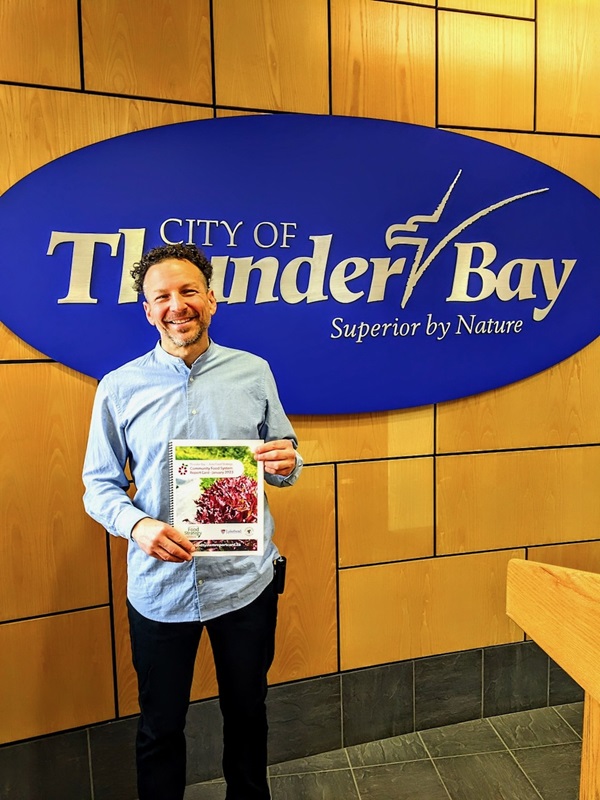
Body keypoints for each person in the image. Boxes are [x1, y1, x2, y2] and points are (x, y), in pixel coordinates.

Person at [82, 243, 302, 800]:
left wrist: (288, 462)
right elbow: (99, 486)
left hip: (245, 580)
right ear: (147, 309)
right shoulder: (119, 387)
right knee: (160, 727)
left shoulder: (253, 372)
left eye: (188, 292)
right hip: (161, 588)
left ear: (211, 299)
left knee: (248, 715)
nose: (177, 305)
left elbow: (282, 454)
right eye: (162, 297)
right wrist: (138, 526)